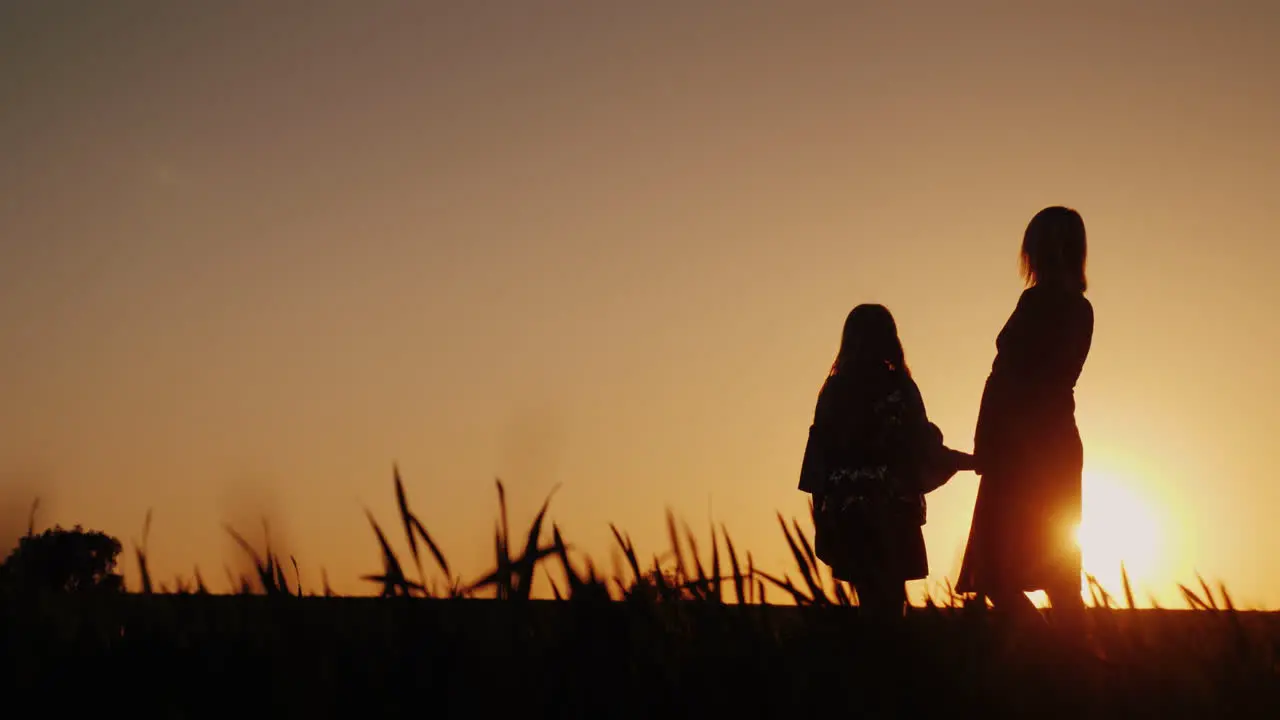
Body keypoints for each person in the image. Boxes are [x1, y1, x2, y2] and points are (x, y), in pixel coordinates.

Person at [956, 206, 1094, 635]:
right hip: (1053, 446)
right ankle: (1069, 660)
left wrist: (988, 441)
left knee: (999, 572)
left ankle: (1051, 655)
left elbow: (1009, 379)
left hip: (1020, 451)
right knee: (1057, 573)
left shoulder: (1039, 303)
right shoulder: (1080, 308)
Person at [799, 303, 973, 617]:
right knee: (892, 604)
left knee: (869, 602)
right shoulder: (901, 389)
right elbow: (924, 449)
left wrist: (823, 522)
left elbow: (818, 464)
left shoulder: (835, 391)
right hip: (894, 512)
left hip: (850, 514)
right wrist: (968, 461)